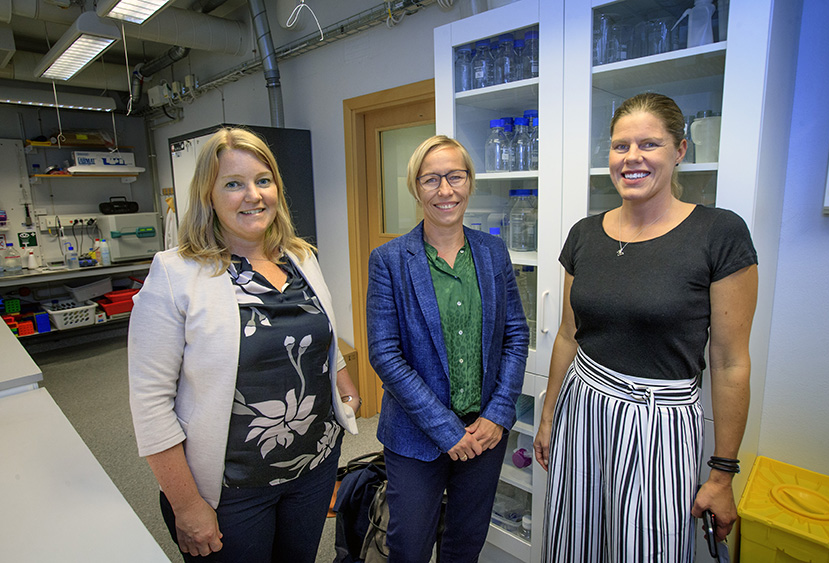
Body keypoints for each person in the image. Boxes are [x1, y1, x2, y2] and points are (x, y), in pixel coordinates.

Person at [534, 93, 758, 562]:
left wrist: (721, 475)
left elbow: (730, 360)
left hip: (660, 420)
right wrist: (550, 415)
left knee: (646, 549)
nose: (631, 158)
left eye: (649, 144)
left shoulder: (719, 233)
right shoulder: (584, 234)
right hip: (582, 406)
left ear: (679, 151)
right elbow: (568, 335)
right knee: (574, 544)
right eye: (620, 146)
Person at [128, 126, 359, 562]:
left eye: (263, 181)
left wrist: (344, 385)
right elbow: (150, 404)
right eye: (233, 184)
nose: (252, 195)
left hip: (313, 468)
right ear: (208, 196)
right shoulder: (176, 273)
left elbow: (320, 337)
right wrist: (187, 505)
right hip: (231, 486)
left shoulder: (301, 256)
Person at [366, 135, 529, 562]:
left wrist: (498, 413)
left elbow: (515, 333)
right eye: (431, 179)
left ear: (469, 183)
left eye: (455, 177)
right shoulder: (389, 260)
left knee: (465, 541)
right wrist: (445, 430)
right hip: (415, 436)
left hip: (484, 433)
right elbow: (385, 353)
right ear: (415, 187)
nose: (445, 190)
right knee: (409, 545)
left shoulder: (493, 252)